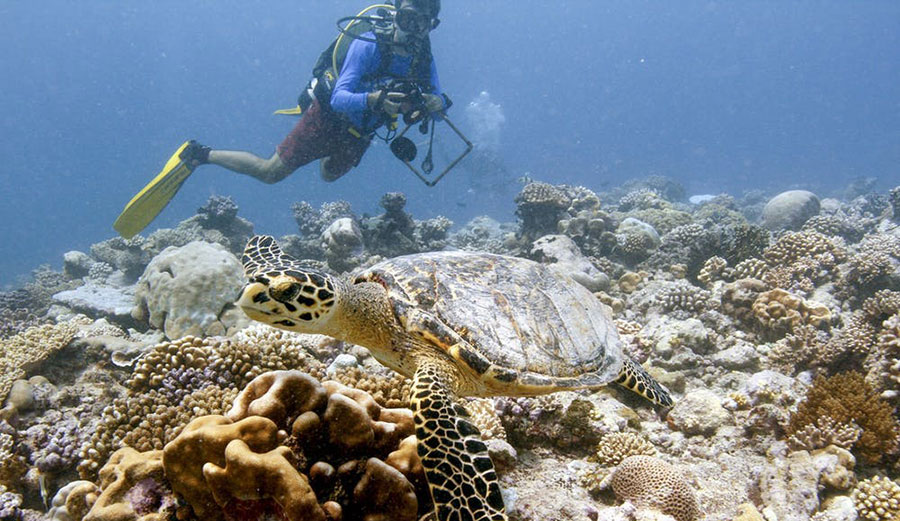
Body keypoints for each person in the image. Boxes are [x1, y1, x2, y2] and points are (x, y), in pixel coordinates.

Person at [183, 0, 446, 184]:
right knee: (270, 173)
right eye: (407, 18)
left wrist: (436, 104)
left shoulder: (423, 59)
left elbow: (438, 111)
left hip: (360, 134)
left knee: (329, 176)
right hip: (327, 119)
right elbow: (339, 98)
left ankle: (321, 152)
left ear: (432, 25)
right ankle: (201, 154)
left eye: (422, 23)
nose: (413, 29)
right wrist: (374, 99)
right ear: (395, 13)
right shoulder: (369, 46)